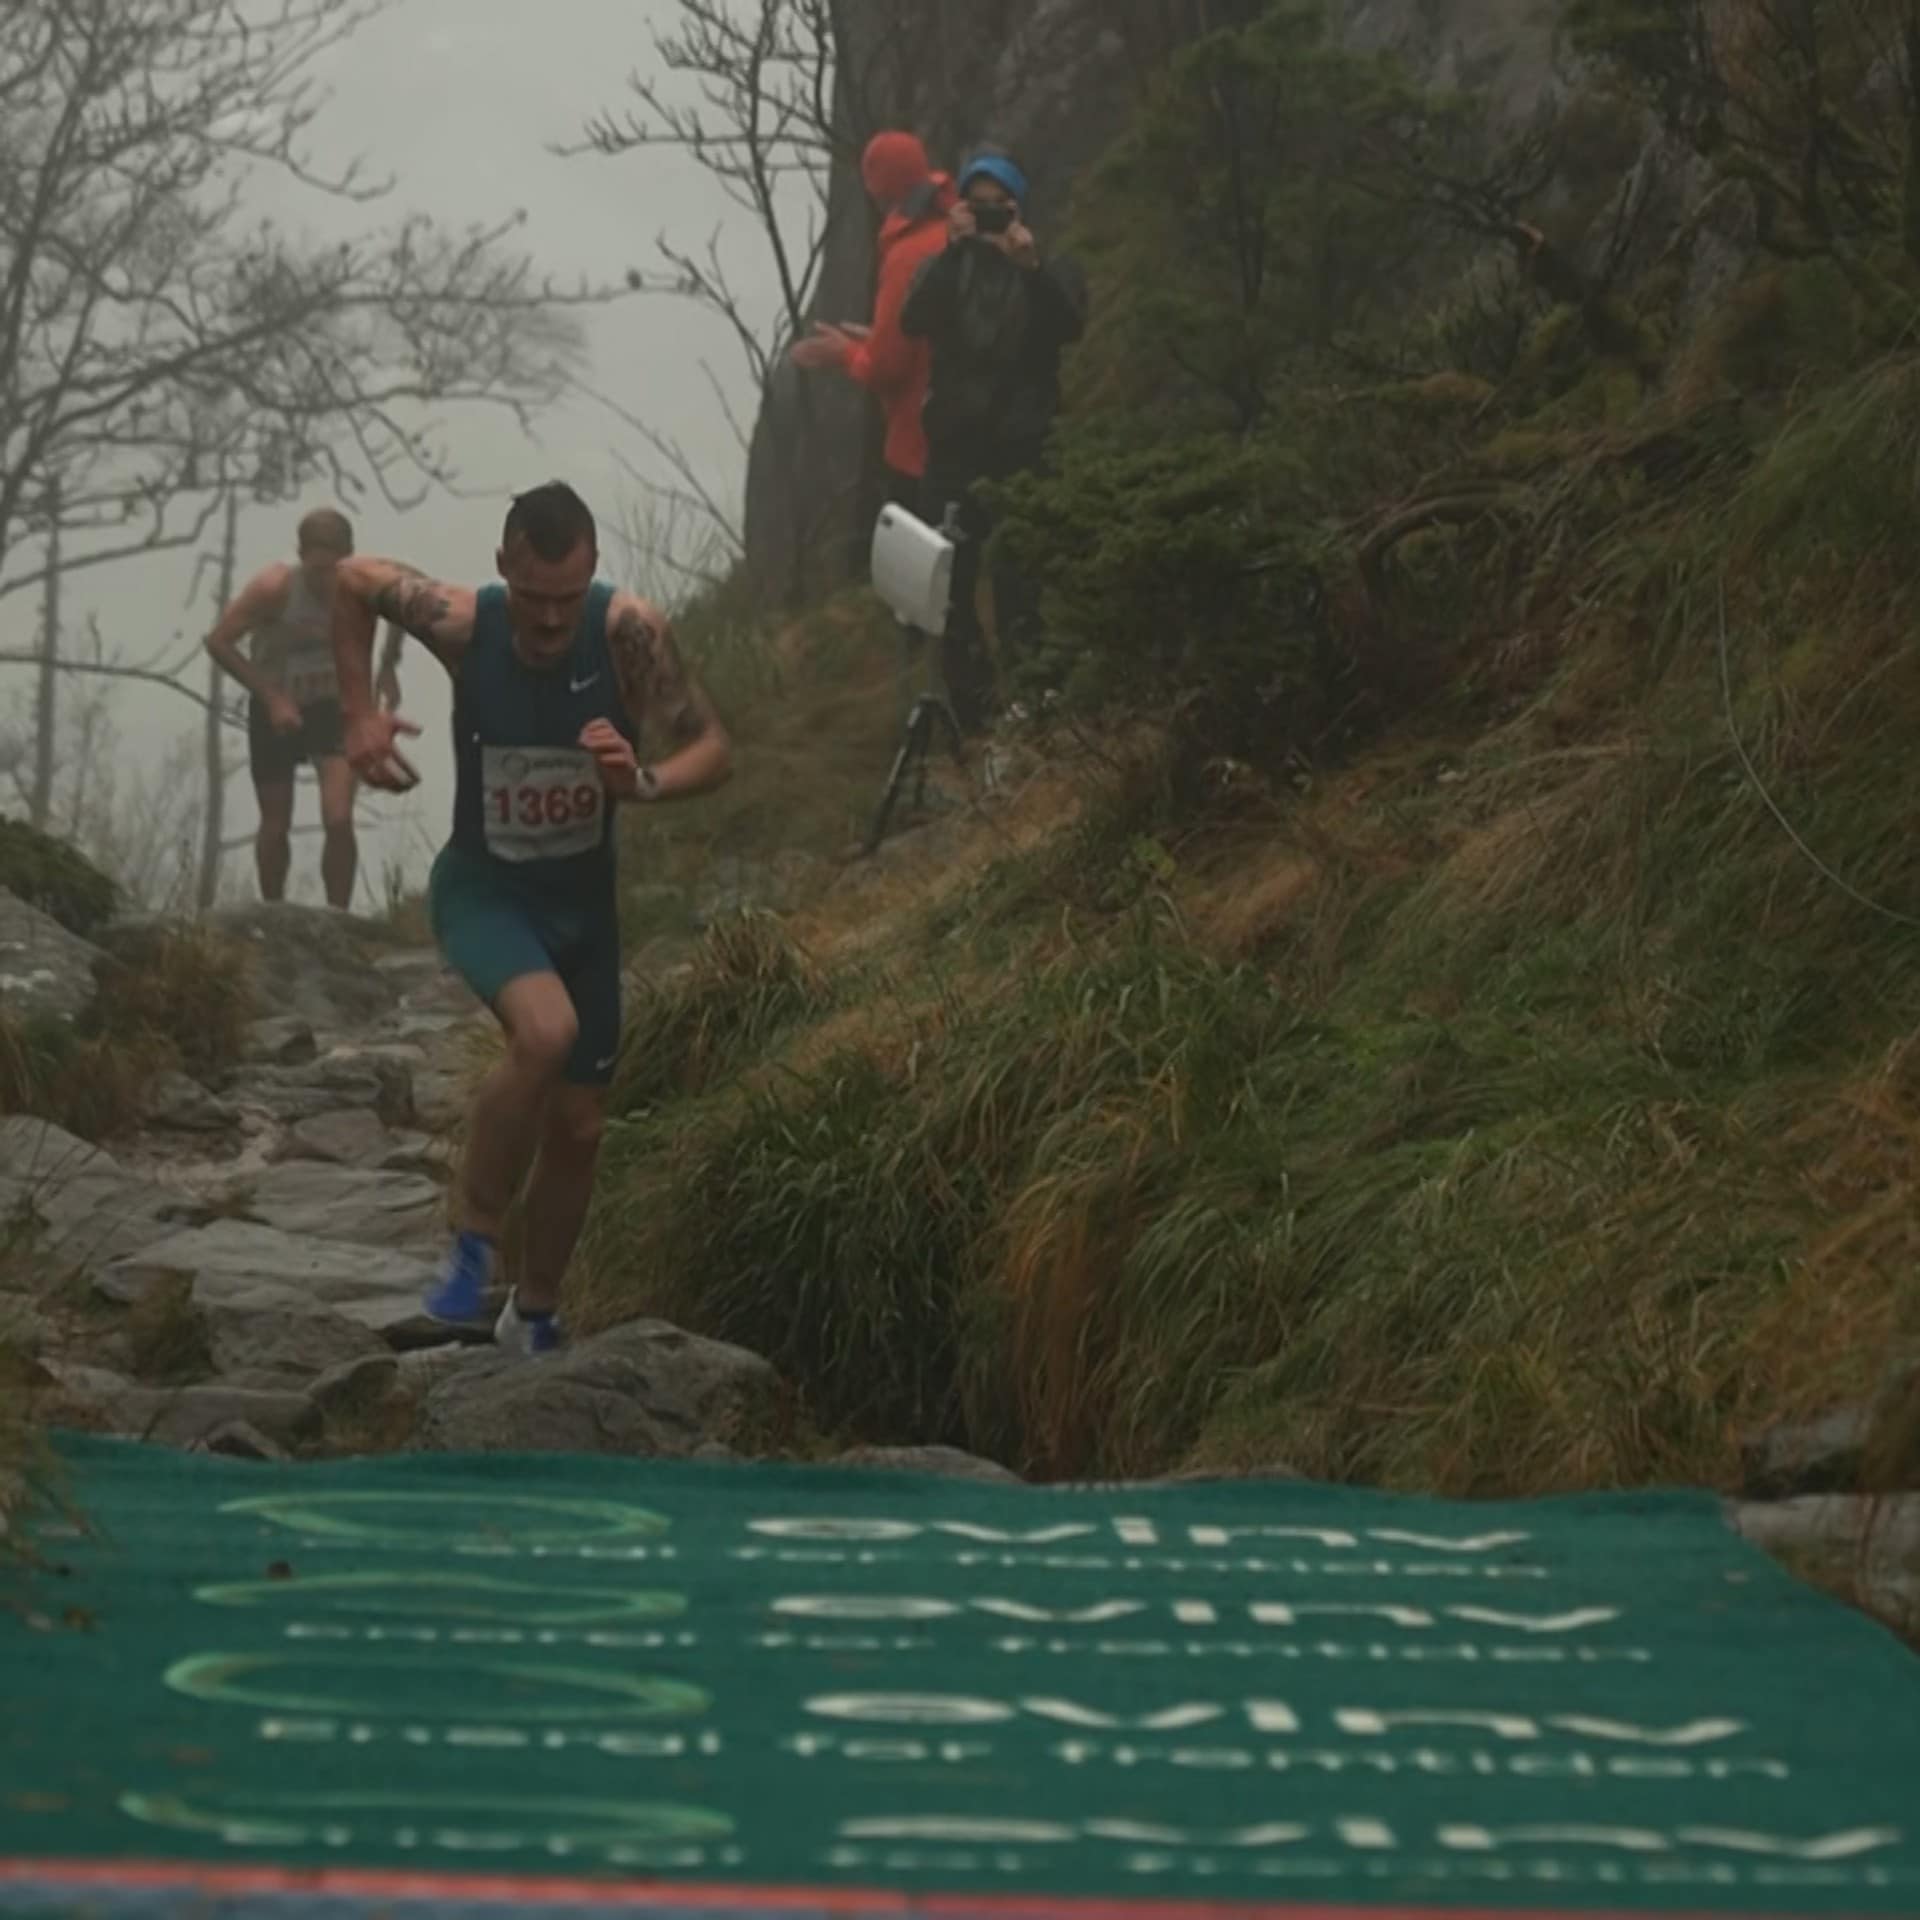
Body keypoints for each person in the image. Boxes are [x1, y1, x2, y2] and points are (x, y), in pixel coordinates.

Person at [332, 481, 732, 1357]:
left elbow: (710, 747)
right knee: (545, 1035)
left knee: (581, 1125)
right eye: (533, 600)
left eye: (566, 600)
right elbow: (355, 578)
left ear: (590, 574)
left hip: (584, 912)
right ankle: (472, 1258)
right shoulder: (463, 624)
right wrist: (357, 716)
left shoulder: (628, 632)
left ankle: (536, 1312)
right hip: (486, 889)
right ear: (503, 566)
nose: (550, 623)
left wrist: (644, 782)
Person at [901, 146, 1088, 736]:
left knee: (1020, 591)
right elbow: (913, 319)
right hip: (955, 452)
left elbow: (1069, 326)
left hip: (1021, 450)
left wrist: (1030, 268)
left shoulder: (1050, 269)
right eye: (974, 207)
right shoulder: (950, 267)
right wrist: (952, 252)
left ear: (1020, 210)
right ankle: (974, 722)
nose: (986, 220)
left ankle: (1032, 714)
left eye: (997, 209)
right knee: (947, 594)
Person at [203, 507, 405, 909]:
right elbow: (219, 641)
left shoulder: (367, 579)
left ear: (349, 555)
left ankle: (338, 919)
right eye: (315, 571)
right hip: (279, 707)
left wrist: (387, 665)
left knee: (338, 818)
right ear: (300, 556)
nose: (325, 580)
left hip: (336, 705)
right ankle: (274, 915)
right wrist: (271, 695)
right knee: (276, 824)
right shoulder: (274, 586)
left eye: (333, 570)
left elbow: (407, 597)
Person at [790, 131, 955, 499]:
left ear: (881, 191)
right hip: (963, 436)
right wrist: (875, 337)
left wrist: (845, 354)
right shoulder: (951, 232)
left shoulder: (908, 255)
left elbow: (887, 368)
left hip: (920, 446)